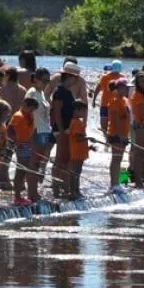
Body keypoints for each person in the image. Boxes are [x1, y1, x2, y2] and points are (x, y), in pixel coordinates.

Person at [50, 63, 81, 196]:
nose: (76, 81)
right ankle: (57, 189)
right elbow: (57, 112)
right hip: (61, 129)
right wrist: (62, 131)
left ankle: (64, 186)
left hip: (68, 129)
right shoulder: (59, 91)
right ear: (68, 77)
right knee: (60, 159)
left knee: (66, 158)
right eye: (75, 78)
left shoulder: (67, 91)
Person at [8, 97, 39, 205]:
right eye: (30, 109)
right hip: (21, 146)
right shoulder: (18, 116)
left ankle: (19, 196)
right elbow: (10, 130)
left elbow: (32, 130)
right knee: (20, 171)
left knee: (24, 171)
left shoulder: (28, 115)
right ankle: (17, 197)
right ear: (25, 105)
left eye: (33, 110)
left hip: (27, 145)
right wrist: (16, 142)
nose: (31, 112)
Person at [26, 67, 53, 184]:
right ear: (36, 79)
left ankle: (35, 187)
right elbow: (26, 112)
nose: (46, 83)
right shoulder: (32, 93)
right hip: (36, 131)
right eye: (44, 80)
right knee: (34, 162)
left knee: (39, 162)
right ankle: (31, 190)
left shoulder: (41, 93)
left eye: (48, 81)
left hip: (44, 131)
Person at [106, 78, 131, 190]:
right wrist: (121, 135)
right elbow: (115, 120)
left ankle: (122, 181)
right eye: (125, 88)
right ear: (119, 88)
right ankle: (114, 183)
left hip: (125, 134)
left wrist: (127, 134)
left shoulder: (125, 100)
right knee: (116, 158)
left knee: (122, 158)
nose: (127, 89)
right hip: (116, 134)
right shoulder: (114, 101)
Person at [129, 71, 144, 185]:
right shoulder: (137, 94)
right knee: (139, 152)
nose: (143, 83)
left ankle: (142, 176)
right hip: (141, 125)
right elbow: (143, 114)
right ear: (137, 83)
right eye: (140, 81)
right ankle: (137, 179)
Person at [67, 100, 90, 200]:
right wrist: (88, 138)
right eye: (82, 111)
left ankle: (77, 190)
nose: (84, 114)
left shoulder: (79, 122)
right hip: (76, 151)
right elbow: (77, 138)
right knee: (74, 172)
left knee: (78, 171)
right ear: (76, 110)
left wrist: (89, 147)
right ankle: (72, 191)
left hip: (80, 152)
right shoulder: (75, 122)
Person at [93, 60, 123, 134]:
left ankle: (105, 140)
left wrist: (94, 99)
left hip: (105, 104)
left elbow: (98, 88)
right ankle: (111, 139)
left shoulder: (105, 77)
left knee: (104, 124)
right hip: (117, 105)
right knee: (115, 124)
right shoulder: (122, 78)